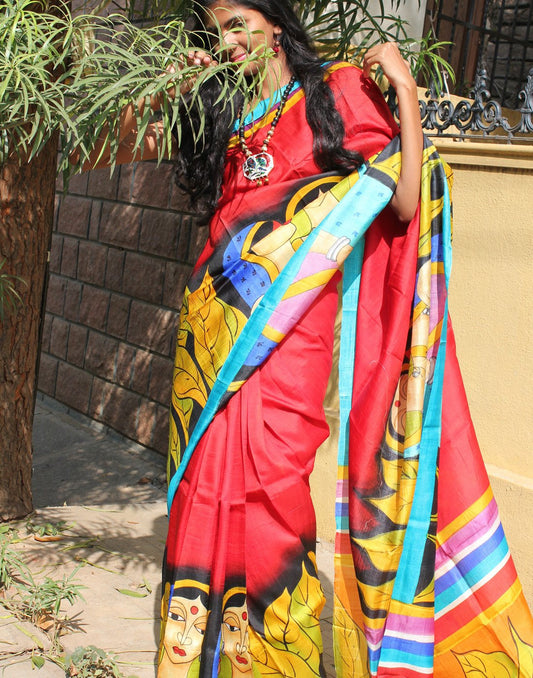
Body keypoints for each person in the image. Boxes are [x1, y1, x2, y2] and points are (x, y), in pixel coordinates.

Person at [78, 1, 533, 676]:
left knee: (275, 479)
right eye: (216, 31)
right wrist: (160, 92)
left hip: (294, 331)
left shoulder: (339, 92)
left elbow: (404, 202)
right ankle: (209, 651)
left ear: (275, 22)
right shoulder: (221, 109)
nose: (226, 42)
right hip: (214, 329)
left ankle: (273, 653)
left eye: (237, 23)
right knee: (206, 483)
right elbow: (113, 148)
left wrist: (404, 91)